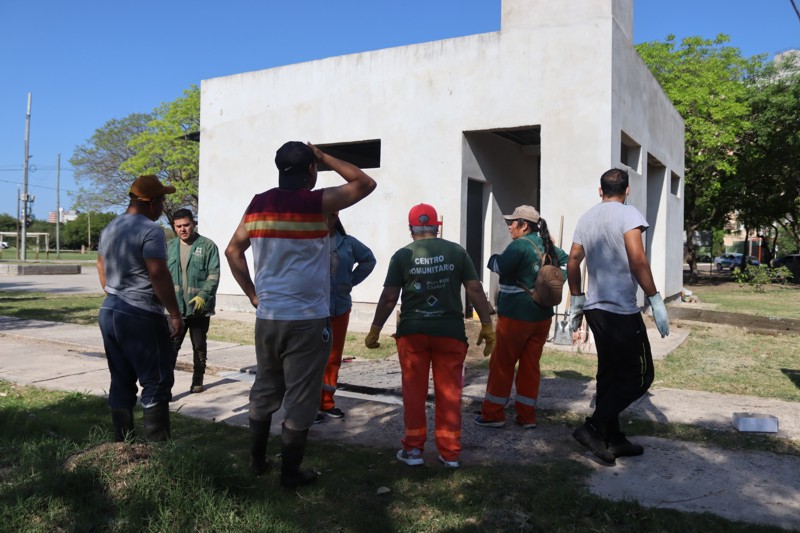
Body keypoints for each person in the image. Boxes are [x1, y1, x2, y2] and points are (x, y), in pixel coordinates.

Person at [225, 141, 376, 488]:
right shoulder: (318, 201)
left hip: (269, 318)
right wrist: (323, 156)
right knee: (301, 396)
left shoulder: (258, 204)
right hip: (308, 319)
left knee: (265, 389)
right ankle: (290, 473)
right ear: (311, 170)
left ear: (278, 168)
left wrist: (252, 294)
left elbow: (233, 250)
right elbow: (365, 183)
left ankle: (258, 462)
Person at [366, 203, 495, 469]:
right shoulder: (456, 252)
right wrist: (486, 323)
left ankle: (413, 451)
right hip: (450, 333)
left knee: (414, 393)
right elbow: (474, 289)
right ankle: (450, 455)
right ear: (437, 227)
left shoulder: (402, 255)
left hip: (413, 334)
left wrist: (376, 328)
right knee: (449, 393)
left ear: (411, 228)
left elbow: (390, 297)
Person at [567, 168, 670, 465]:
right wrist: (655, 299)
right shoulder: (629, 215)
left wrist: (577, 298)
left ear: (600, 191)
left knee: (610, 374)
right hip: (621, 311)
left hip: (596, 310)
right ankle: (594, 428)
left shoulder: (586, 218)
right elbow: (638, 261)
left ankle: (613, 437)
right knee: (640, 376)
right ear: (627, 191)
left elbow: (573, 261)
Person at [97, 174, 184, 442]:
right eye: (163, 201)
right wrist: (174, 313)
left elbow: (101, 267)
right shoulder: (150, 230)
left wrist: (115, 292)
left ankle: (123, 447)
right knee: (156, 380)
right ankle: (160, 454)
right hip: (139, 314)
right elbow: (157, 273)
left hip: (110, 310)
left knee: (121, 378)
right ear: (152, 202)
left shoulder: (111, 228)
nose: (164, 207)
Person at [475, 205, 568, 429]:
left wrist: (492, 259)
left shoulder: (519, 246)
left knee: (502, 365)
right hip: (542, 317)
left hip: (516, 317)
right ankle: (527, 417)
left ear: (524, 225)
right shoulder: (547, 244)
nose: (509, 226)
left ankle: (493, 414)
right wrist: (554, 278)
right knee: (530, 366)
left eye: (512, 222)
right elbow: (568, 262)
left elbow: (500, 266)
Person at [315, 212, 376, 423]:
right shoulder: (309, 242)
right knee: (311, 358)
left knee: (333, 357)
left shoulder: (347, 243)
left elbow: (369, 259)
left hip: (340, 307)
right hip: (313, 308)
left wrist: (351, 281)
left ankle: (327, 402)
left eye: (330, 215)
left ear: (335, 218)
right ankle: (308, 406)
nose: (326, 219)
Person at [167, 208, 221, 394]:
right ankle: (165, 387)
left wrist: (203, 296)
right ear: (174, 227)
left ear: (194, 224)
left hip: (199, 309)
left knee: (198, 346)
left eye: (186, 225)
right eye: (179, 226)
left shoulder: (207, 246)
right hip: (175, 309)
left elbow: (213, 275)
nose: (183, 229)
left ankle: (197, 381)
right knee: (171, 348)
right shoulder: (169, 247)